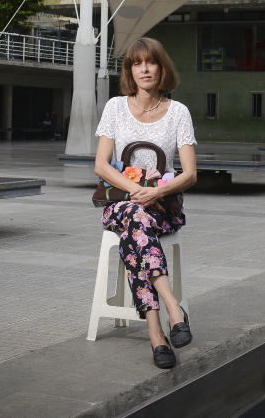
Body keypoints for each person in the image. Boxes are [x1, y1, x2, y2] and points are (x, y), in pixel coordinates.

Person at [94, 37, 197, 369]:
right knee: (135, 218)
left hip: (163, 206)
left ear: (161, 66)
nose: (143, 69)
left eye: (149, 62)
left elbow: (191, 174)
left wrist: (156, 193)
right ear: (130, 70)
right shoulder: (114, 107)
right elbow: (101, 165)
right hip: (123, 201)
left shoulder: (178, 112)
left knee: (134, 232)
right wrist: (136, 190)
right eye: (136, 63)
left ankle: (156, 334)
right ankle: (173, 310)